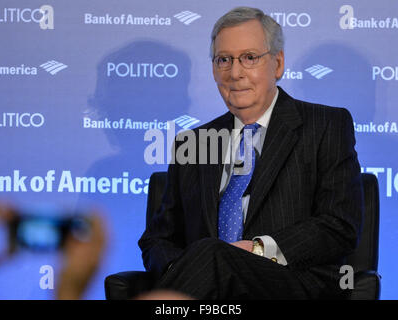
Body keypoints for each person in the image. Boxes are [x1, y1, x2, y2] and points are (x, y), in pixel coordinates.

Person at [138, 7, 363, 299]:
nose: (234, 73)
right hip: (208, 292)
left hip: (291, 283)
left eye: (249, 58)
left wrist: (257, 249)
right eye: (224, 60)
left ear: (278, 64)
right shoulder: (192, 142)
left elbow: (340, 225)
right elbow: (158, 239)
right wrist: (186, 269)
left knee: (211, 253)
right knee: (210, 256)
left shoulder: (326, 125)